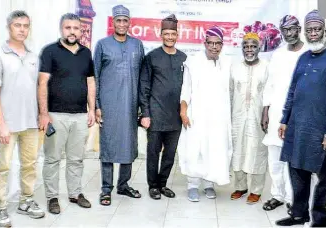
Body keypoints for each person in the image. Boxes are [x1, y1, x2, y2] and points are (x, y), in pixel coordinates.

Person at [275, 10, 326, 227]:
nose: (313, 34)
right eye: (309, 30)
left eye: (317, 29)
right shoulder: (303, 58)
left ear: (324, 31)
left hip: (322, 131)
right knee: (297, 171)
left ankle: (319, 219)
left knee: (324, 178)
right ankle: (299, 214)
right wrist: (284, 119)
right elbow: (292, 91)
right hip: (297, 126)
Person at [0, 10, 45, 226]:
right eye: (17, 25)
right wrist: (1, 124)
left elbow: (39, 88)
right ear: (9, 27)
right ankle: (0, 208)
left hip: (30, 123)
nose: (22, 29)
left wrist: (42, 114)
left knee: (30, 164)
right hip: (8, 125)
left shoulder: (33, 57)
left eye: (25, 26)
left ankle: (26, 201)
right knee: (2, 167)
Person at [38, 13, 96, 214]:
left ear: (81, 30)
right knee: (52, 158)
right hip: (55, 115)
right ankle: (52, 197)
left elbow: (90, 82)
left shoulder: (86, 53)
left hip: (80, 116)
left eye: (76, 28)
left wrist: (91, 109)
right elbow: (42, 83)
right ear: (61, 29)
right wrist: (44, 114)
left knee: (76, 158)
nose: (72, 31)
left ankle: (75, 193)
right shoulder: (50, 52)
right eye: (68, 27)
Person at [93, 5, 145, 206]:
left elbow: (143, 77)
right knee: (108, 145)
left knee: (128, 145)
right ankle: (106, 189)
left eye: (125, 20)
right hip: (108, 105)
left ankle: (123, 185)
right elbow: (95, 76)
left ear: (129, 22)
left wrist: (142, 105)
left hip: (131, 105)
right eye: (118, 20)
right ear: (112, 22)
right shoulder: (103, 45)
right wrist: (96, 105)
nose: (122, 24)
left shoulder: (137, 45)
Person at [177, 26, 233, 202]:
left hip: (219, 117)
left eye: (218, 44)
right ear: (205, 43)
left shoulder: (227, 63)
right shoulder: (192, 63)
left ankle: (209, 184)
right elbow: (185, 89)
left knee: (215, 149)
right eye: (211, 43)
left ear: (222, 45)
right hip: (197, 115)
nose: (214, 47)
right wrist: (183, 111)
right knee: (195, 149)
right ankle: (192, 186)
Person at [261, 15, 306, 211]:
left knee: (294, 159)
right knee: (274, 156)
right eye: (285, 30)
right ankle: (277, 195)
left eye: (292, 29)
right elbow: (269, 85)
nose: (289, 34)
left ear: (299, 28)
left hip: (299, 115)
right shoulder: (278, 55)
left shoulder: (309, 52)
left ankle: (291, 198)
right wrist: (265, 111)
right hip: (277, 113)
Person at [139, 14, 187, 200]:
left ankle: (163, 183)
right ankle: (153, 185)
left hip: (175, 116)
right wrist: (145, 113)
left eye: (172, 34)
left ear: (177, 35)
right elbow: (144, 86)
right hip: (155, 114)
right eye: (166, 33)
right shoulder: (152, 57)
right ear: (161, 34)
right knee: (153, 152)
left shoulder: (184, 58)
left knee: (170, 154)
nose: (169, 37)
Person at [229, 32, 269, 204]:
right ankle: (240, 187)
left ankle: (256, 190)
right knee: (238, 150)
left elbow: (269, 93)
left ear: (259, 48)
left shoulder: (266, 66)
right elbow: (230, 92)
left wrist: (266, 113)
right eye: (246, 46)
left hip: (258, 116)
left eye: (253, 46)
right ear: (242, 48)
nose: (249, 49)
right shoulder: (235, 66)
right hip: (237, 116)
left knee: (257, 151)